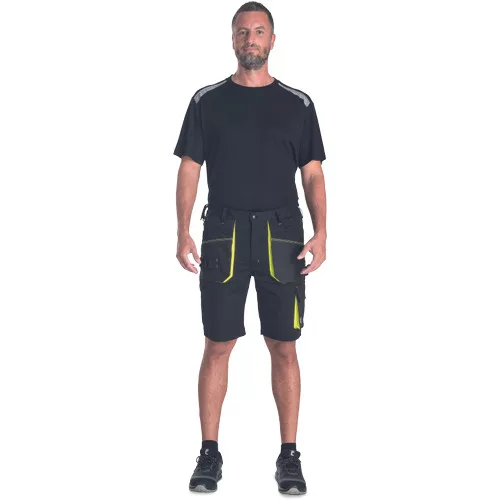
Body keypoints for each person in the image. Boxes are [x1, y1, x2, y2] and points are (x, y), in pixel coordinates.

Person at [173, 2, 326, 494]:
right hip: (225, 232)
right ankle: (209, 453)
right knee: (218, 344)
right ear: (232, 39)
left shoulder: (298, 105)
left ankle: (289, 456)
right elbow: (190, 167)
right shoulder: (207, 101)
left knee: (284, 345)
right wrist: (182, 230)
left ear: (273, 40)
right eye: (243, 31)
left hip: (282, 234)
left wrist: (322, 232)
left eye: (259, 31)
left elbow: (312, 172)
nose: (251, 39)